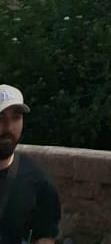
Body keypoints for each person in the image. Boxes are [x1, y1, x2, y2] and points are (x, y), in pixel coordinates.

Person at [0, 86, 59, 244]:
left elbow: (45, 236)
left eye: (16, 117)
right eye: (0, 117)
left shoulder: (39, 183)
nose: (8, 127)